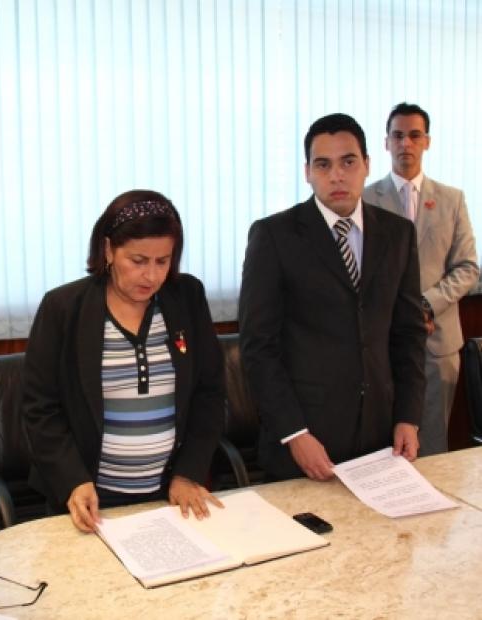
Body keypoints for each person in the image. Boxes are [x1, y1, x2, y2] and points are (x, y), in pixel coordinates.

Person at [239, 113, 427, 482]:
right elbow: (258, 347)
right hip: (306, 441)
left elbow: (408, 335)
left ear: (367, 165)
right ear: (307, 172)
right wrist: (294, 433)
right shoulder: (274, 236)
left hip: (381, 438)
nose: (337, 175)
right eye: (323, 164)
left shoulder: (398, 234)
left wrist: (408, 416)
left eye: (348, 162)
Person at [22, 189, 225, 532]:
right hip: (89, 499)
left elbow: (210, 393)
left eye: (163, 261)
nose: (151, 276)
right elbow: (40, 408)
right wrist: (73, 480)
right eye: (138, 261)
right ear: (108, 250)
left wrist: (188, 473)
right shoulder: (64, 308)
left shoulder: (187, 298)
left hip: (170, 494)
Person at [363, 103, 479, 456]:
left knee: (432, 447)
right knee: (381, 447)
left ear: (427, 141)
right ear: (386, 142)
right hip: (381, 345)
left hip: (438, 343)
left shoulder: (451, 199)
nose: (406, 144)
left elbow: (468, 268)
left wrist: (425, 304)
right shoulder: (364, 199)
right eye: (398, 136)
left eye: (414, 135)